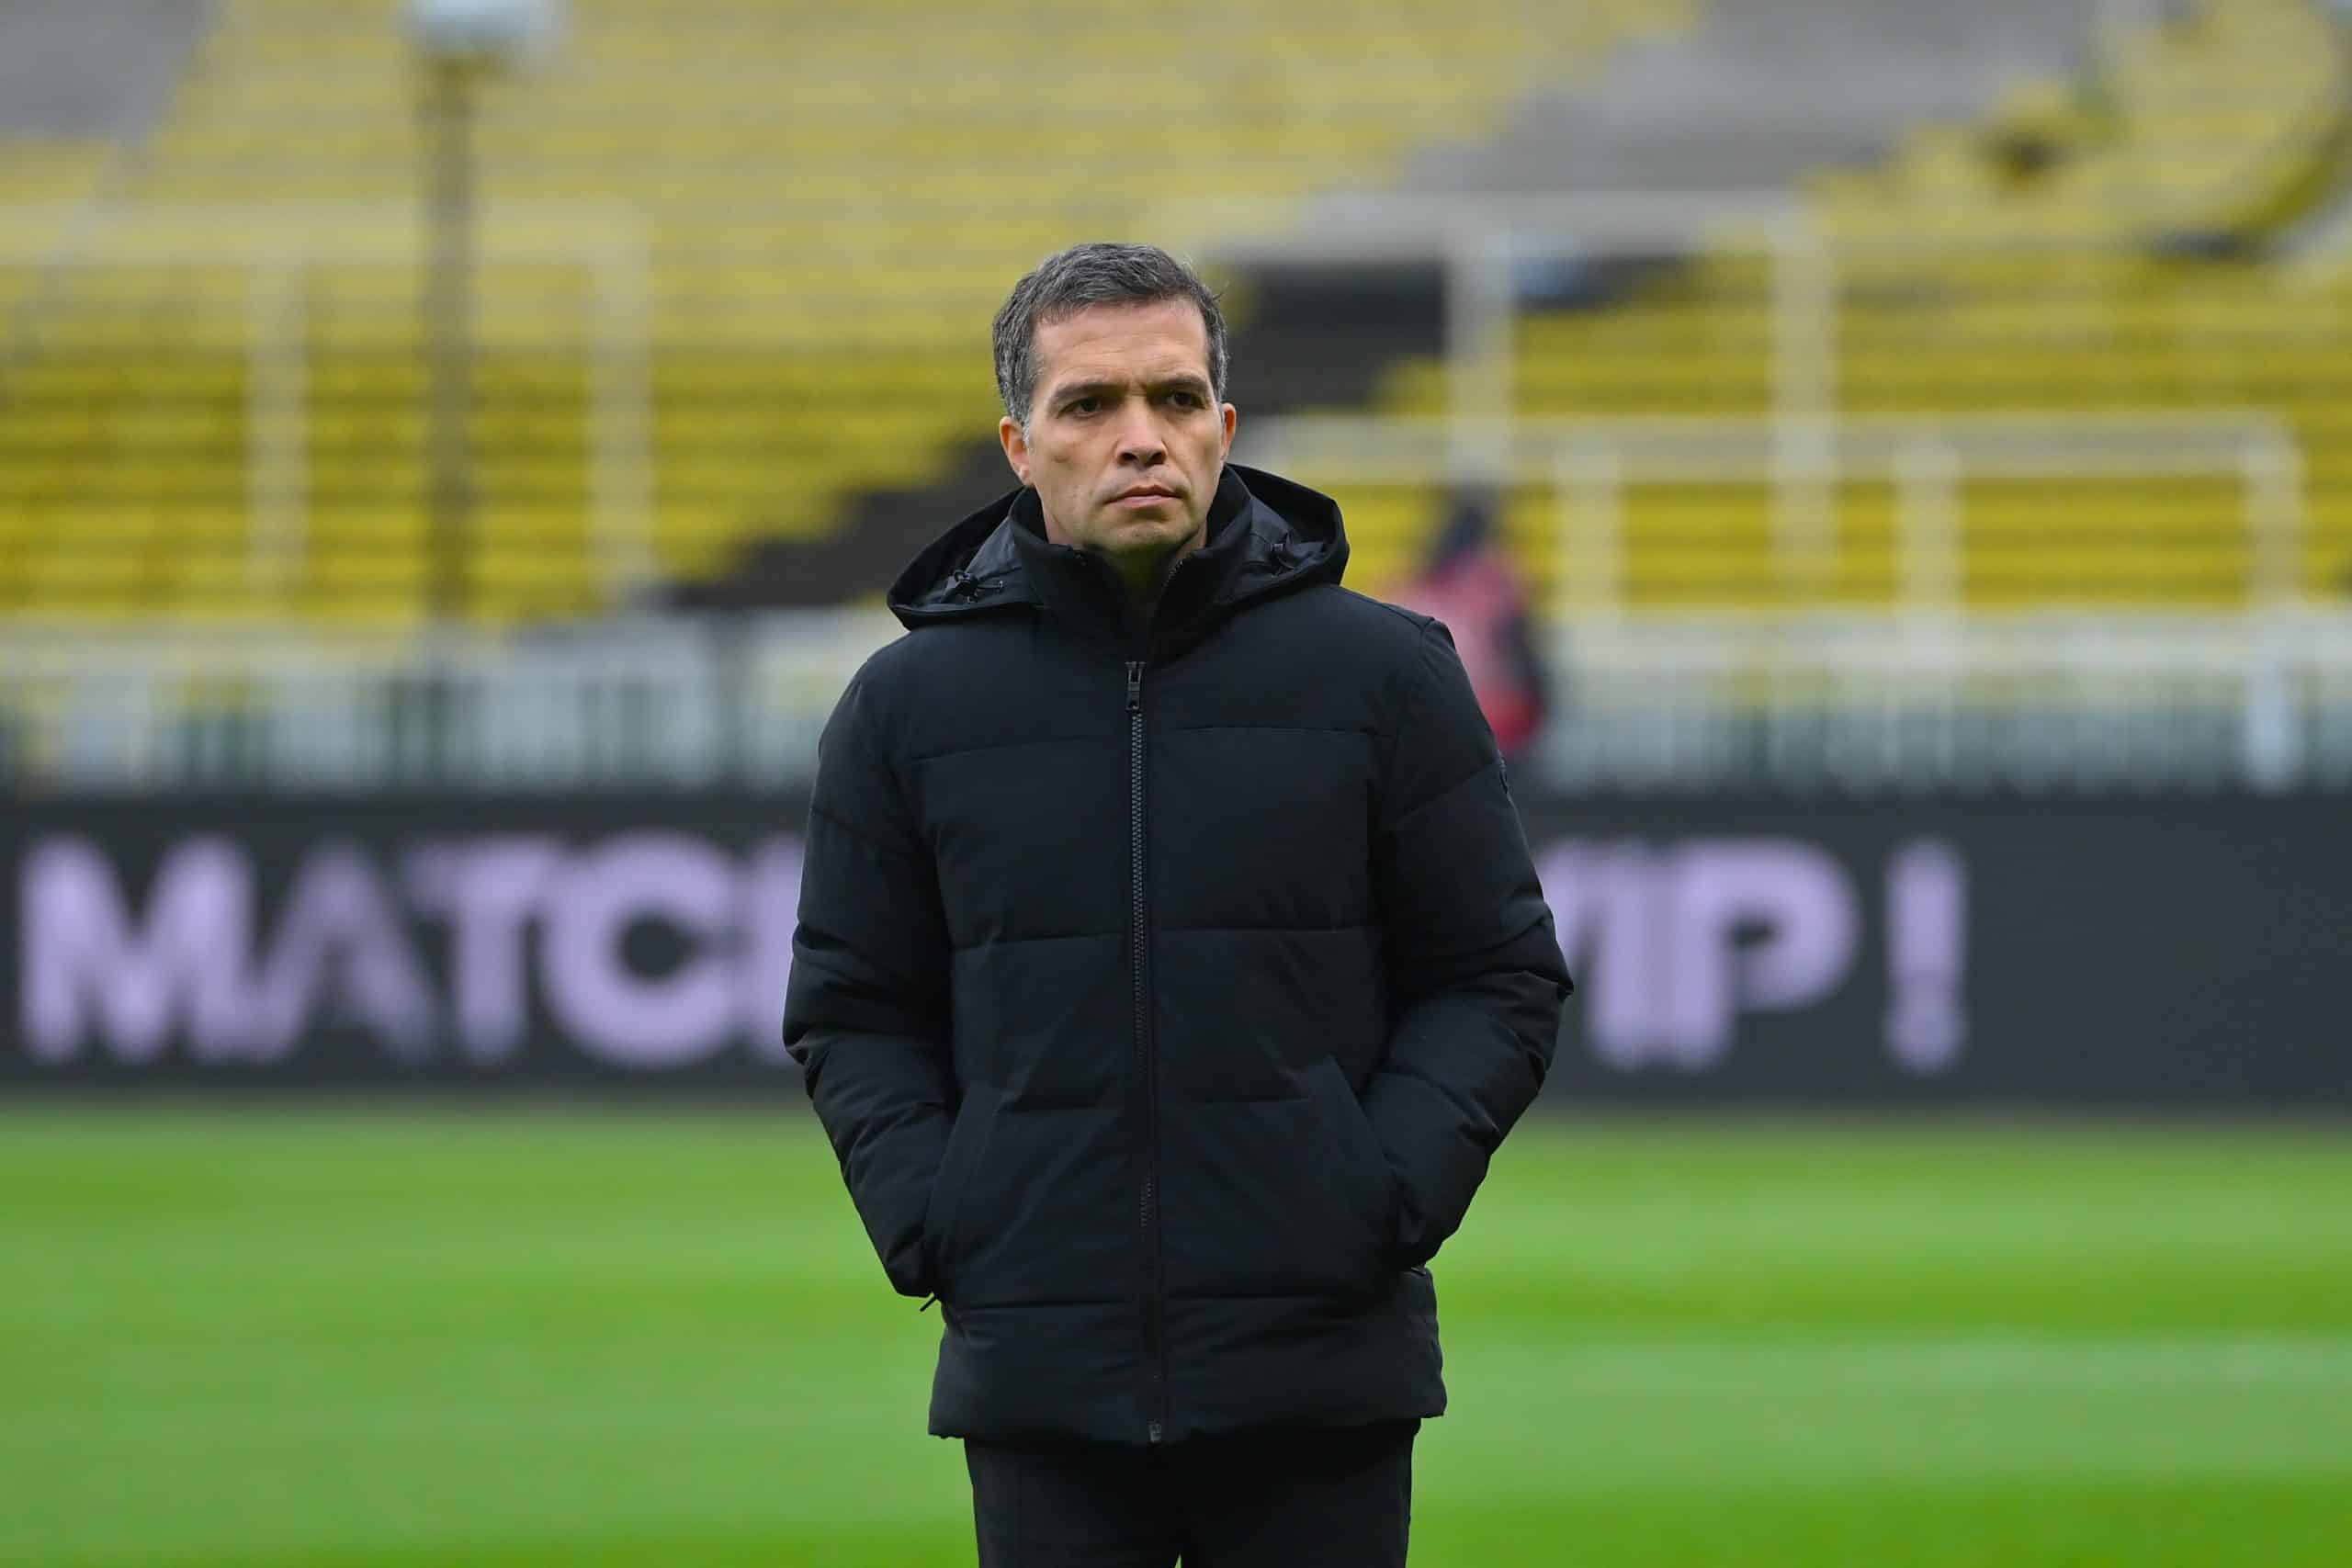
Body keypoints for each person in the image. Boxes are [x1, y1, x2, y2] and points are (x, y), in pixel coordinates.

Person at [783, 242, 1571, 1567]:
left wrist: (1374, 1195)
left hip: (1322, 1378)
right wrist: (944, 1216)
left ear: (1225, 424)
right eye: (1090, 406)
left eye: (1175, 398)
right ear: (1019, 446)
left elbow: (1499, 977)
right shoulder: (905, 709)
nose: (1139, 438)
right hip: (1044, 1374)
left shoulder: (1385, 677)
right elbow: (853, 1009)